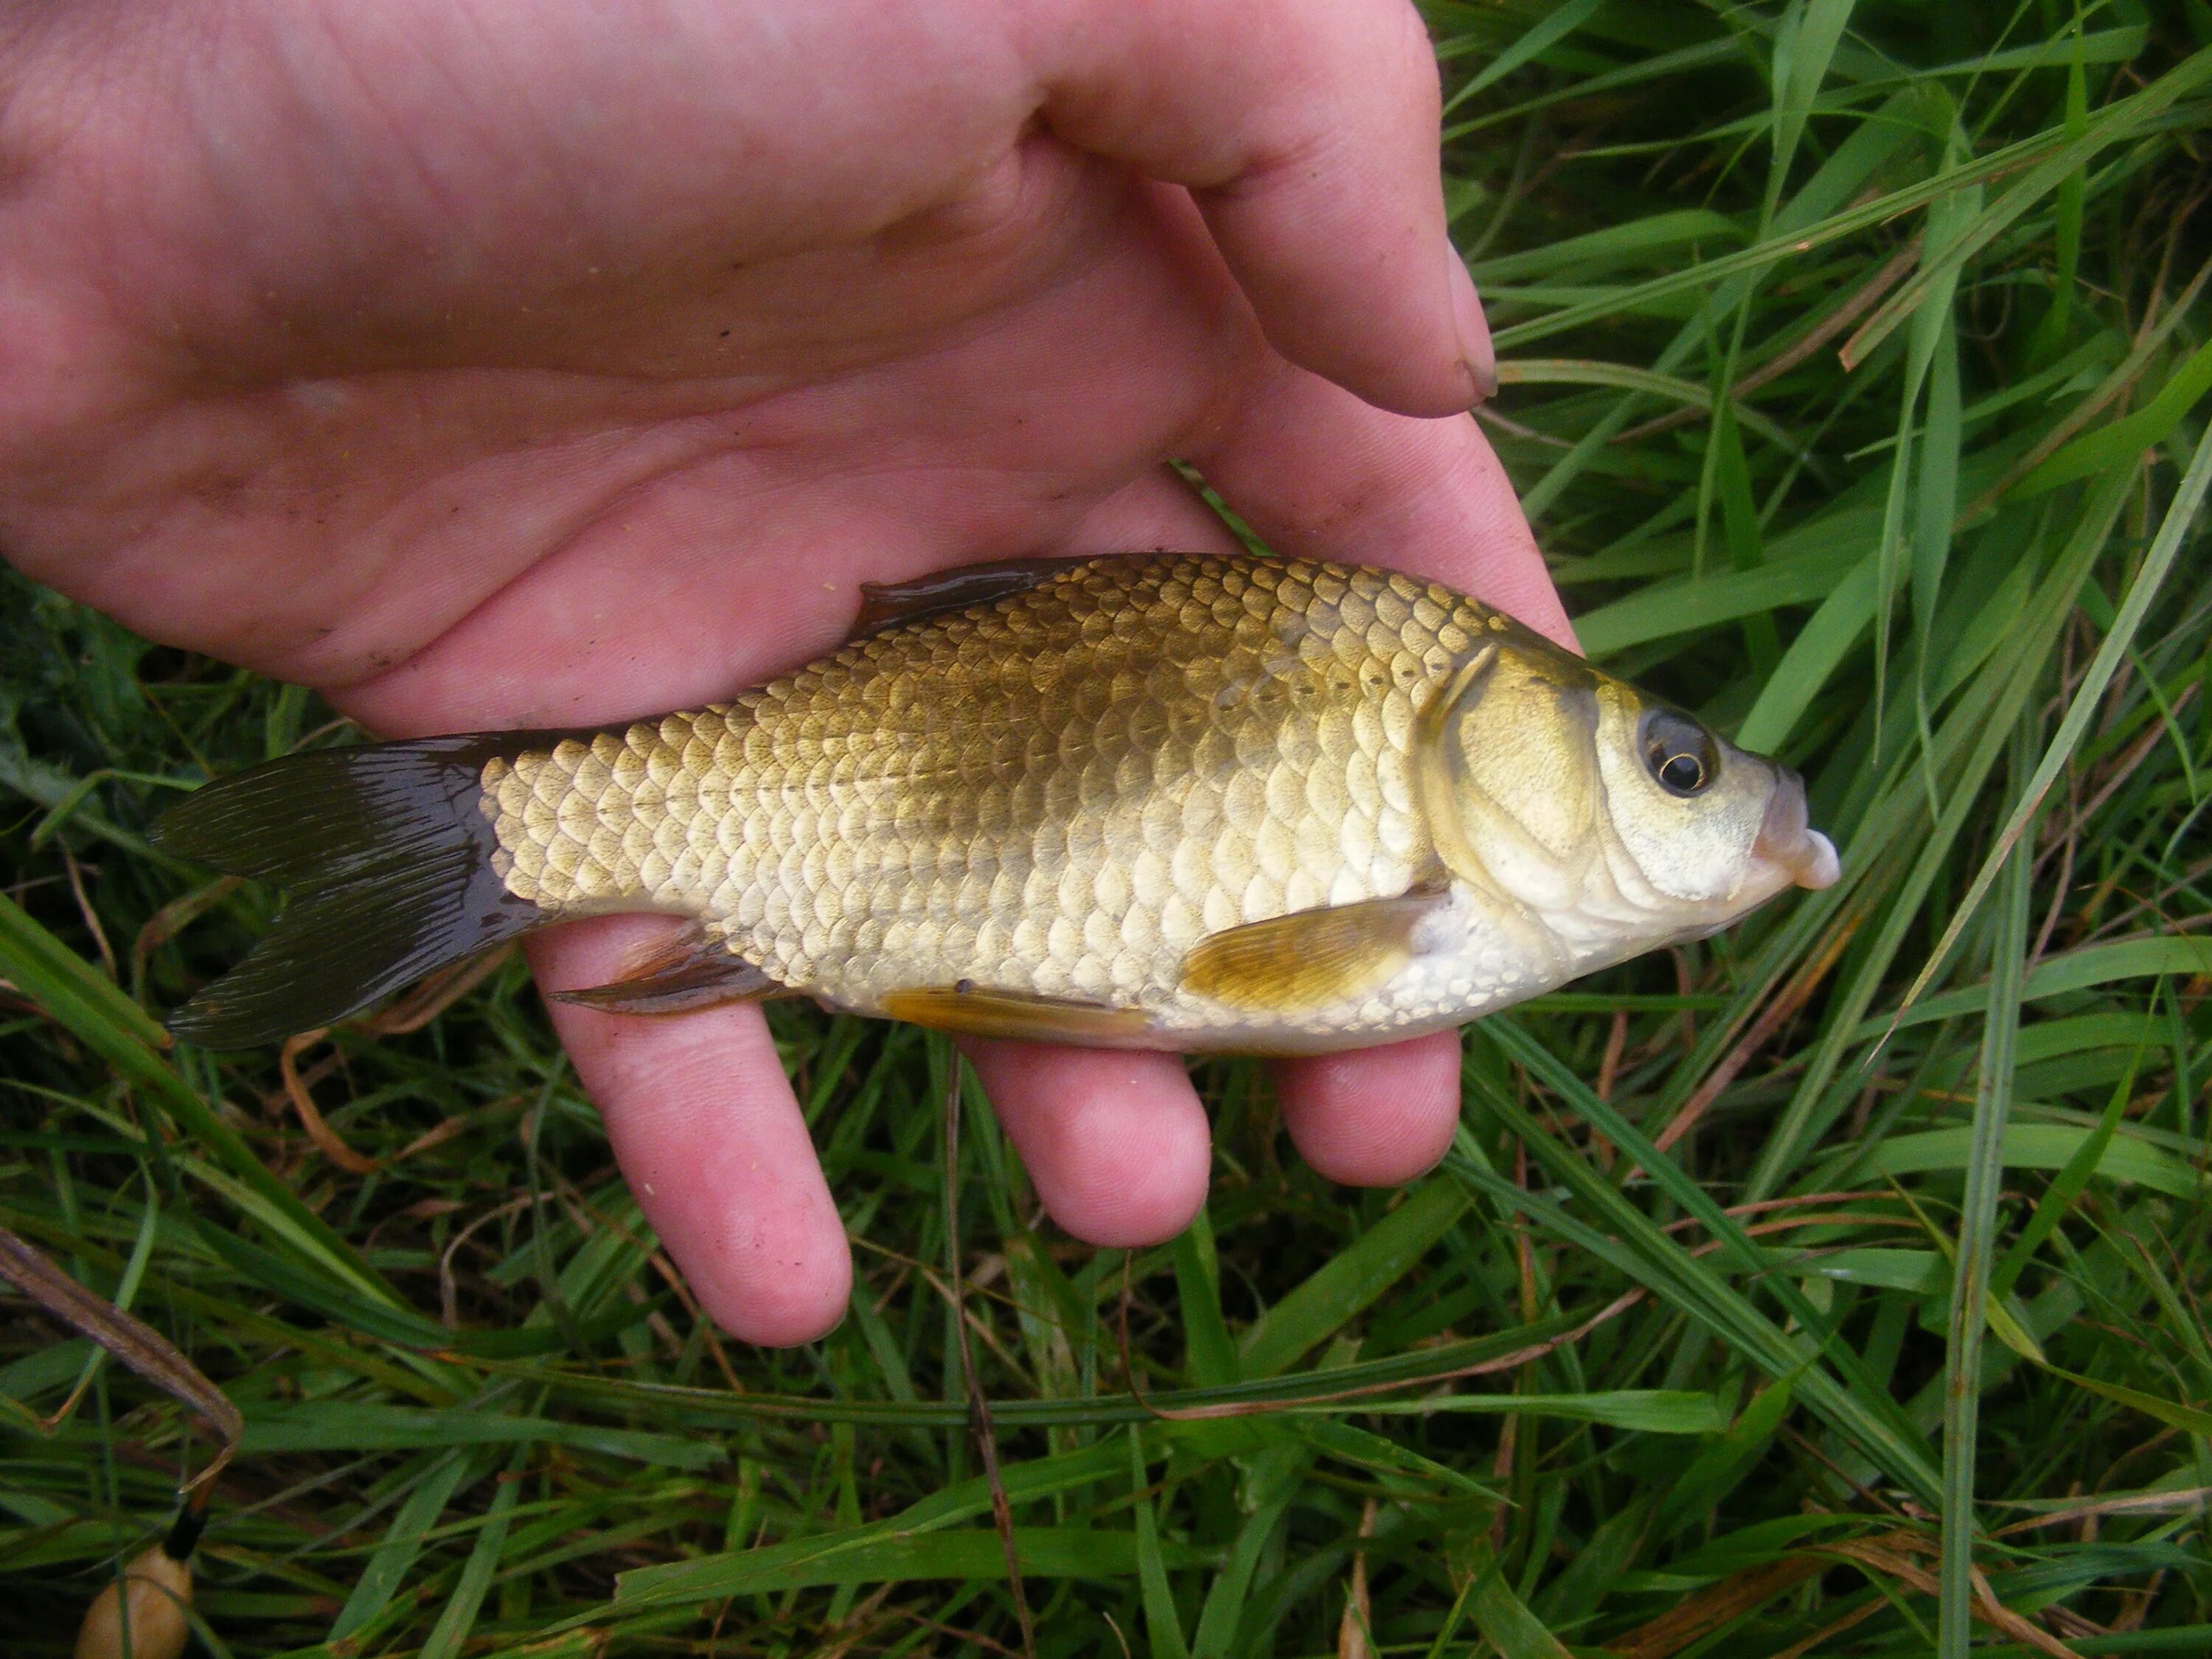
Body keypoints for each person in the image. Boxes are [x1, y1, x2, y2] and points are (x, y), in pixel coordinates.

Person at [0, 0, 1573, 1345]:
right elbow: (1249, 979)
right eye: (1674, 768)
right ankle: (471, 838)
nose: (1695, 788)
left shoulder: (1418, 694)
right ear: (1497, 745)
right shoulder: (1425, 705)